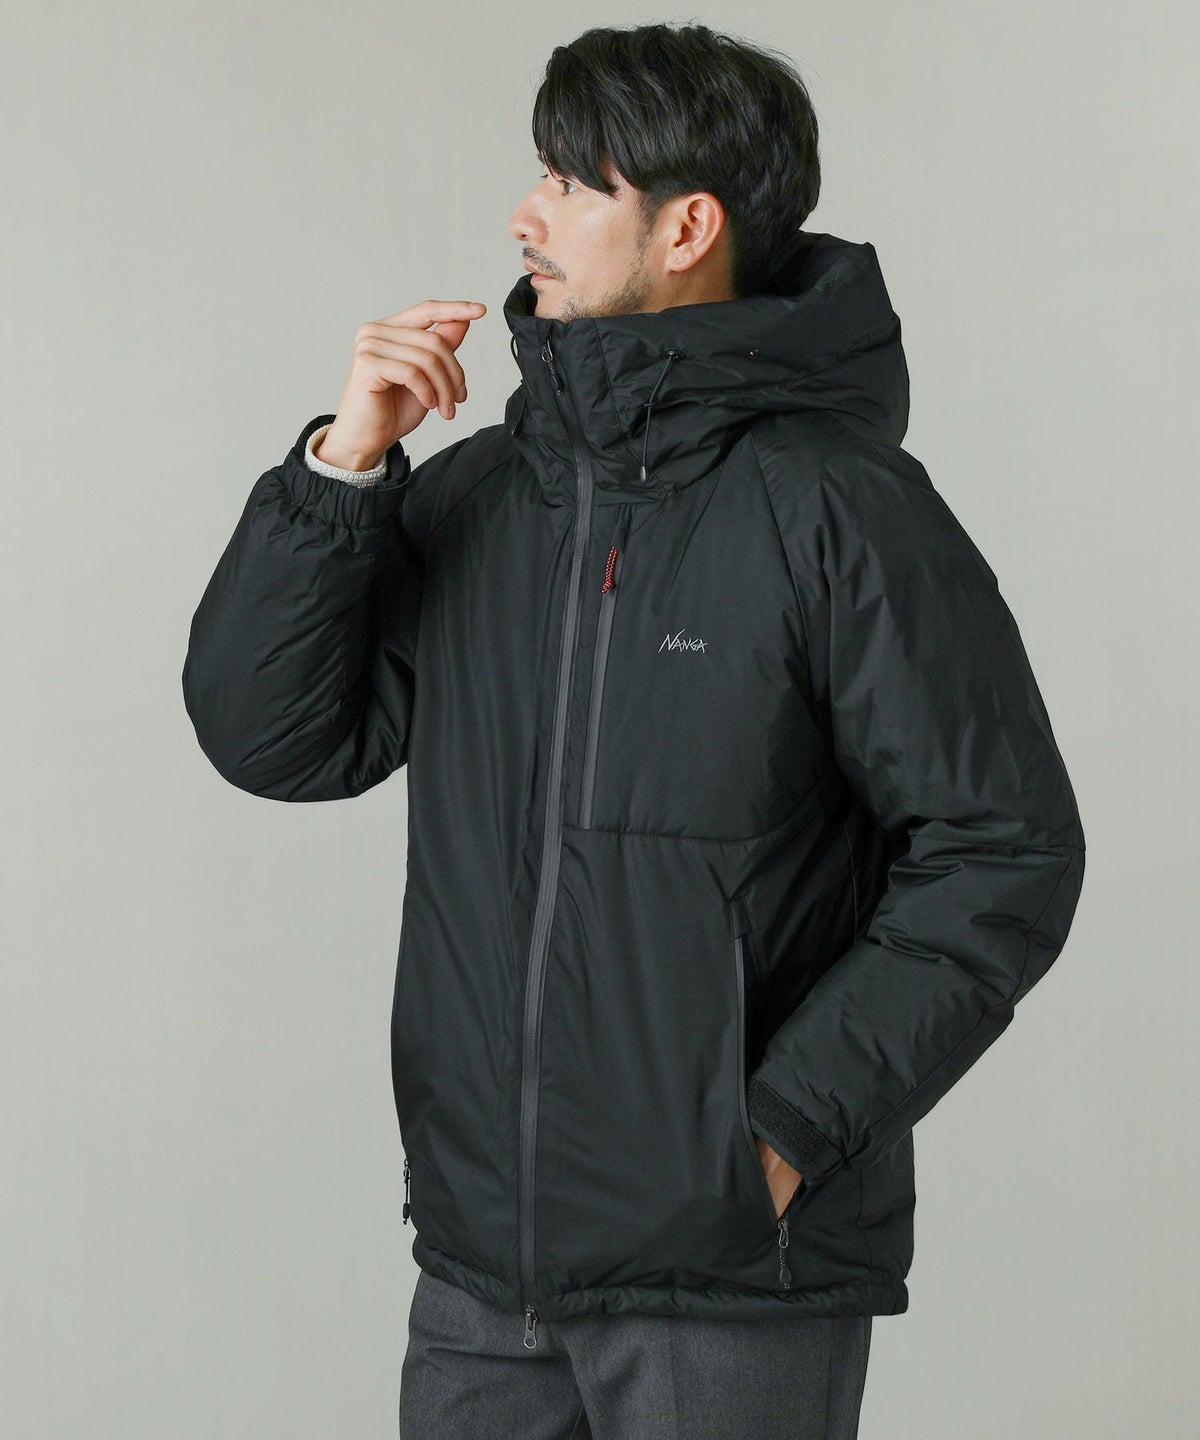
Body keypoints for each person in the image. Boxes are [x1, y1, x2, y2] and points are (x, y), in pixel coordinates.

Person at [181, 21, 1086, 1440]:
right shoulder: (484, 498)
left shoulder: (837, 510)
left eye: (570, 181)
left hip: (725, 1282)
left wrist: (782, 1135)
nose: (524, 215)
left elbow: (1003, 850)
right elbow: (274, 739)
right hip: (483, 1273)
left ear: (687, 227)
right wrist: (344, 471)